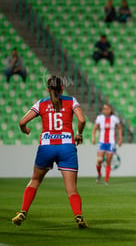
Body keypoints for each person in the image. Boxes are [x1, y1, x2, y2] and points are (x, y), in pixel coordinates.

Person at [11, 75, 88, 228]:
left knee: (35, 180)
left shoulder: (41, 103)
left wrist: (25, 130)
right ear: (62, 88)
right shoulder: (71, 101)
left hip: (46, 146)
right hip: (66, 146)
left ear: (48, 89)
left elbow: (22, 122)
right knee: (71, 188)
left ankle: (23, 211)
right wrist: (79, 134)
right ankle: (78, 216)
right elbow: (82, 120)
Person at [92, 104, 123, 185]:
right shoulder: (100, 118)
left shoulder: (114, 118)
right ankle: (99, 174)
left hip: (111, 142)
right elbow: (95, 128)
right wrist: (93, 137)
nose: (104, 110)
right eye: (103, 109)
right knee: (99, 160)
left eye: (106, 108)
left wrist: (120, 138)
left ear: (110, 110)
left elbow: (119, 128)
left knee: (108, 161)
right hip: (102, 142)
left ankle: (106, 180)